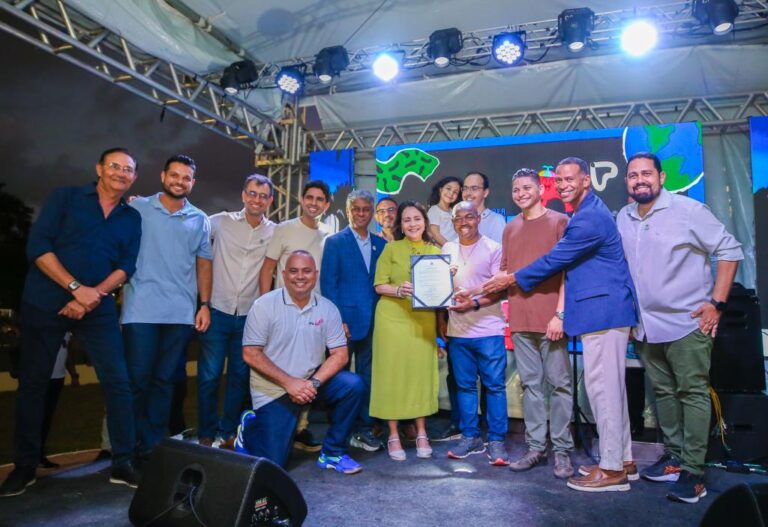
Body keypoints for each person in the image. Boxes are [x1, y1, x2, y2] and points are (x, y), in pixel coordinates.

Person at [483, 157, 637, 492]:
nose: (565, 185)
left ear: (586, 181)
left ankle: (612, 470)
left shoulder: (584, 218)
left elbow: (556, 262)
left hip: (603, 312)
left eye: (571, 179)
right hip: (595, 313)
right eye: (561, 179)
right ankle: (623, 460)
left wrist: (515, 281)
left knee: (603, 393)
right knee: (608, 391)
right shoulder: (583, 213)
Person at [0, 147, 142, 497]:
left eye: (128, 170)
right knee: (34, 384)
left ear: (134, 178)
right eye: (115, 166)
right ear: (99, 169)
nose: (121, 173)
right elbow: (38, 247)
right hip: (45, 302)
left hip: (98, 307)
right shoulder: (66, 198)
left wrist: (93, 295)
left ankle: (123, 461)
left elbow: (126, 266)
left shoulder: (131, 218)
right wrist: (76, 289)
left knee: (119, 382)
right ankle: (25, 466)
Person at [616, 152, 743, 504]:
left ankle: (694, 472)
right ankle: (673, 456)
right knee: (664, 393)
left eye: (646, 173)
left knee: (692, 393)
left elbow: (730, 251)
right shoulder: (624, 216)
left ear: (661, 177)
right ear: (626, 181)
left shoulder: (688, 211)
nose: (640, 180)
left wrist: (716, 303)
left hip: (687, 324)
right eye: (633, 175)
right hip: (645, 326)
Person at [235, 251, 365, 474]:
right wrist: (289, 383)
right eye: (294, 271)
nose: (300, 276)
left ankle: (332, 452)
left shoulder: (327, 308)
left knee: (353, 385)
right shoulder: (263, 306)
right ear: (284, 274)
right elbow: (250, 354)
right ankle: (249, 428)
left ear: (315, 274)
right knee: (274, 463)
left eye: (306, 271)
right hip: (273, 388)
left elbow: (340, 354)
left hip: (311, 382)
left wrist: (313, 383)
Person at [122, 154, 213, 458]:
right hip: (141, 311)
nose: (179, 181)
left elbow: (204, 264)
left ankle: (152, 446)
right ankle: (126, 447)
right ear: (163, 177)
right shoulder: (138, 207)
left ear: (192, 182)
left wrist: (204, 304)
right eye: (174, 175)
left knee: (164, 382)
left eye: (186, 177)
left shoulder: (200, 219)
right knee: (137, 381)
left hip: (180, 314)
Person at [500, 169, 574, 478]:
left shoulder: (560, 222)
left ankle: (563, 451)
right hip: (520, 320)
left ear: (540, 190)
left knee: (559, 385)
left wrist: (560, 314)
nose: (521, 193)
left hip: (551, 320)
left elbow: (569, 273)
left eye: (527, 188)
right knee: (530, 386)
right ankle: (535, 448)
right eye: (516, 189)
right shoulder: (510, 228)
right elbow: (505, 273)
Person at [197, 174, 276, 450]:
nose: (257, 199)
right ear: (243, 195)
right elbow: (190, 227)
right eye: (252, 193)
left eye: (263, 196)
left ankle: (228, 431)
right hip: (217, 311)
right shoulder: (220, 222)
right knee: (209, 376)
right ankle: (206, 432)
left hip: (249, 317)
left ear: (270, 200)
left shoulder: (274, 232)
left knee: (239, 378)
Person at [258, 179, 332, 452]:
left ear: (327, 205)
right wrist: (264, 306)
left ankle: (300, 428)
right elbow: (267, 269)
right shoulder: (285, 229)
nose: (314, 203)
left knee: (310, 369)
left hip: (316, 315)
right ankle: (276, 426)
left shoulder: (329, 234)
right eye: (309, 197)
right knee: (281, 370)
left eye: (319, 199)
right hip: (283, 313)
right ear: (301, 199)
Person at [370, 201, 441, 461]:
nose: (412, 224)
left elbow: (441, 291)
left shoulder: (436, 251)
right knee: (391, 374)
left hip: (423, 320)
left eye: (417, 218)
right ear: (401, 224)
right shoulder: (390, 248)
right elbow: (379, 285)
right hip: (392, 319)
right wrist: (399, 289)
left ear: (424, 221)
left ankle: (421, 432)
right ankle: (393, 434)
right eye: (407, 220)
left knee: (419, 374)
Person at [440, 202, 509, 465]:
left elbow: (500, 290)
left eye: (469, 217)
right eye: (458, 218)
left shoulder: (493, 248)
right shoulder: (447, 249)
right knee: (465, 387)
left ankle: (497, 440)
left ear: (478, 218)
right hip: (458, 331)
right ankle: (470, 437)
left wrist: (474, 303)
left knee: (494, 386)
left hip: (488, 330)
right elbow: (439, 287)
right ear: (453, 222)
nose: (464, 222)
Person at [321, 190, 387, 452]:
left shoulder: (381, 244)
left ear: (372, 213)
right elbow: (329, 284)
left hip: (374, 321)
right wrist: (338, 320)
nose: (361, 214)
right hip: (344, 323)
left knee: (368, 375)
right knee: (340, 376)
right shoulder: (335, 242)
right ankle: (339, 428)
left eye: (366, 209)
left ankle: (364, 427)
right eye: (356, 209)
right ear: (348, 211)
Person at [461, 171, 506, 243]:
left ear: (485, 193)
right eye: (465, 188)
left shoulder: (496, 221)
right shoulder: (458, 220)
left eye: (474, 188)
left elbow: (499, 250)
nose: (468, 193)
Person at [427, 176, 462, 246]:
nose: (451, 193)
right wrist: (450, 248)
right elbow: (435, 235)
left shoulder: (454, 211)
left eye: (455, 192)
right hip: (444, 250)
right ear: (440, 190)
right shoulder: (434, 210)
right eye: (448, 188)